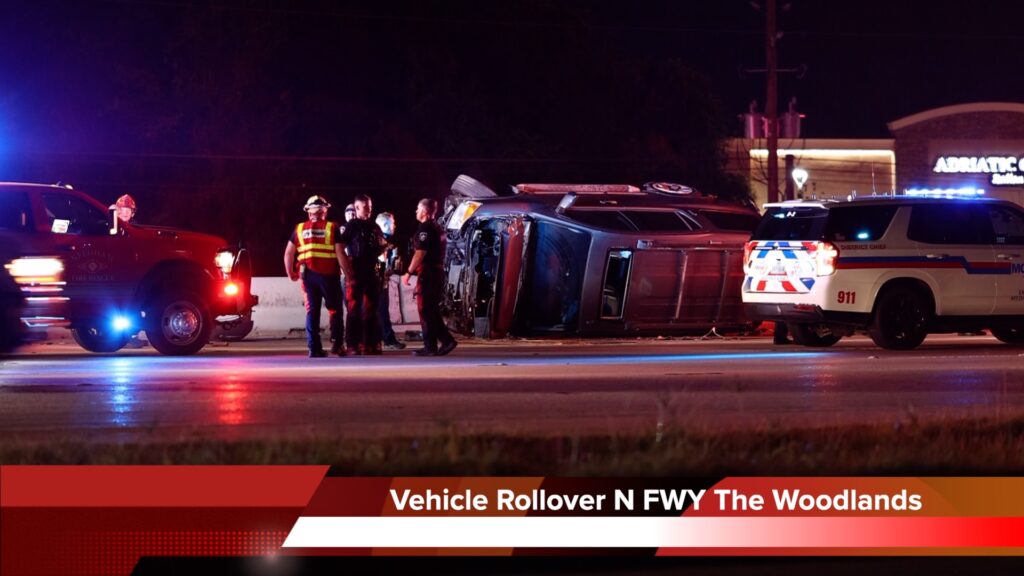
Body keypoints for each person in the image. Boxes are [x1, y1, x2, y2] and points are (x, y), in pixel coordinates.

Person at [283, 195, 346, 358]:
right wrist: (349, 273)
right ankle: (337, 345)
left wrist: (290, 273)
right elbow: (340, 253)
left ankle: (314, 348)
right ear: (324, 211)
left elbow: (288, 253)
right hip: (329, 276)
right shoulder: (333, 227)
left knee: (312, 311)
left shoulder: (299, 229)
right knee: (335, 310)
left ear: (309, 212)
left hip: (307, 276)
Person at [403, 198, 457, 357]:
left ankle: (434, 345)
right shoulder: (438, 228)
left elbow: (420, 253)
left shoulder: (425, 229)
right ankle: (442, 342)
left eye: (418, 208)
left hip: (428, 273)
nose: (415, 211)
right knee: (431, 309)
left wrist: (408, 272)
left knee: (425, 309)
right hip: (437, 272)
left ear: (425, 211)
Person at [338, 194, 386, 355]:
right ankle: (353, 344)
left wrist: (383, 248)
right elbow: (339, 247)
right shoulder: (351, 226)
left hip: (371, 272)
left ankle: (371, 343)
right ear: (357, 208)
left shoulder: (374, 227)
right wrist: (347, 269)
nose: (369, 210)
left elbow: (381, 246)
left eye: (370, 207)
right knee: (354, 309)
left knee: (372, 309)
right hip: (356, 272)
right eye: (366, 207)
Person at [375, 212, 406, 350]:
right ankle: (387, 339)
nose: (394, 226)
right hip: (376, 281)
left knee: (382, 310)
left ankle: (383, 338)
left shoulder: (388, 243)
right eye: (392, 223)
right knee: (380, 310)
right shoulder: (379, 241)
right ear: (385, 224)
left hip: (382, 281)